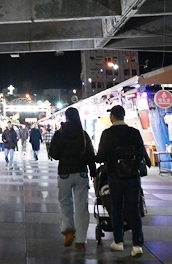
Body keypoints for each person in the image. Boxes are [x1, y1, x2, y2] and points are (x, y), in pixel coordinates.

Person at [96, 105, 150, 257]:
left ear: (113, 117)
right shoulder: (134, 132)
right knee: (134, 209)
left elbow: (100, 157)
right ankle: (137, 245)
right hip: (133, 177)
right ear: (124, 116)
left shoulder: (107, 134)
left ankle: (118, 242)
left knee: (117, 208)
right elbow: (141, 153)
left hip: (115, 177)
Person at [48, 108, 96, 252]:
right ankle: (81, 240)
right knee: (82, 206)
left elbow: (54, 154)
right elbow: (90, 155)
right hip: (81, 173)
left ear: (66, 117)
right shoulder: (83, 134)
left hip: (65, 173)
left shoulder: (60, 133)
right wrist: (93, 172)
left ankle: (68, 230)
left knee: (65, 203)